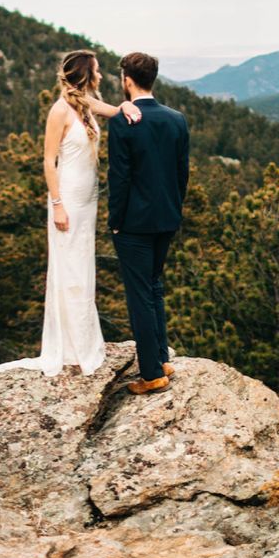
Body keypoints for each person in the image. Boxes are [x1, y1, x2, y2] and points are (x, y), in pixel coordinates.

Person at [0, 49, 141, 378]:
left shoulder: (84, 103)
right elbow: (48, 160)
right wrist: (57, 204)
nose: (100, 75)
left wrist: (127, 106)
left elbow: (111, 110)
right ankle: (70, 347)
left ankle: (84, 341)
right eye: (96, 70)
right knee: (69, 270)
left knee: (83, 267)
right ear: (84, 73)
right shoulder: (60, 110)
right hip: (67, 199)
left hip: (88, 198)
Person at [108, 51, 189, 395]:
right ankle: (161, 357)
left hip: (134, 223)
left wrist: (115, 219)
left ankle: (153, 372)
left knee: (140, 295)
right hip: (167, 217)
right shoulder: (176, 119)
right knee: (154, 287)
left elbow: (120, 177)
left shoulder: (123, 122)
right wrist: (174, 208)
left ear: (127, 80)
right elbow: (181, 173)